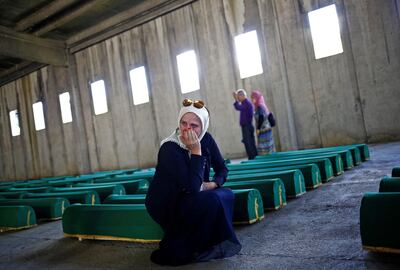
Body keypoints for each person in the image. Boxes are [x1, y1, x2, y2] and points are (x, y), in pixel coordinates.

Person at [145, 98, 241, 266]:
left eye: (194, 126)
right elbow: (192, 187)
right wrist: (196, 151)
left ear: (203, 126)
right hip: (169, 202)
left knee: (226, 193)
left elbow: (222, 169)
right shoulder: (170, 148)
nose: (187, 129)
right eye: (183, 123)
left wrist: (213, 184)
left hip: (192, 193)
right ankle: (194, 245)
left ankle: (209, 239)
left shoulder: (206, 139)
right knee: (212, 199)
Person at [233, 89, 258, 159]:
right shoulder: (245, 103)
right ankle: (253, 157)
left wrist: (235, 99)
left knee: (248, 143)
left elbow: (238, 107)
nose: (238, 98)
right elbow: (237, 107)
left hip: (247, 126)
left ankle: (252, 158)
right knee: (249, 142)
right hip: (246, 126)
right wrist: (236, 100)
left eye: (238, 97)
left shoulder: (247, 103)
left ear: (243, 96)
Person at [251, 90, 275, 155]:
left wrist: (258, 129)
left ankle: (267, 161)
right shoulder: (261, 105)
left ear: (257, 98)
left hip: (264, 130)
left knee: (264, 147)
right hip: (267, 128)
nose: (252, 99)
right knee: (268, 146)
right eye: (251, 98)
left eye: (253, 98)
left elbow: (261, 117)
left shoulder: (259, 106)